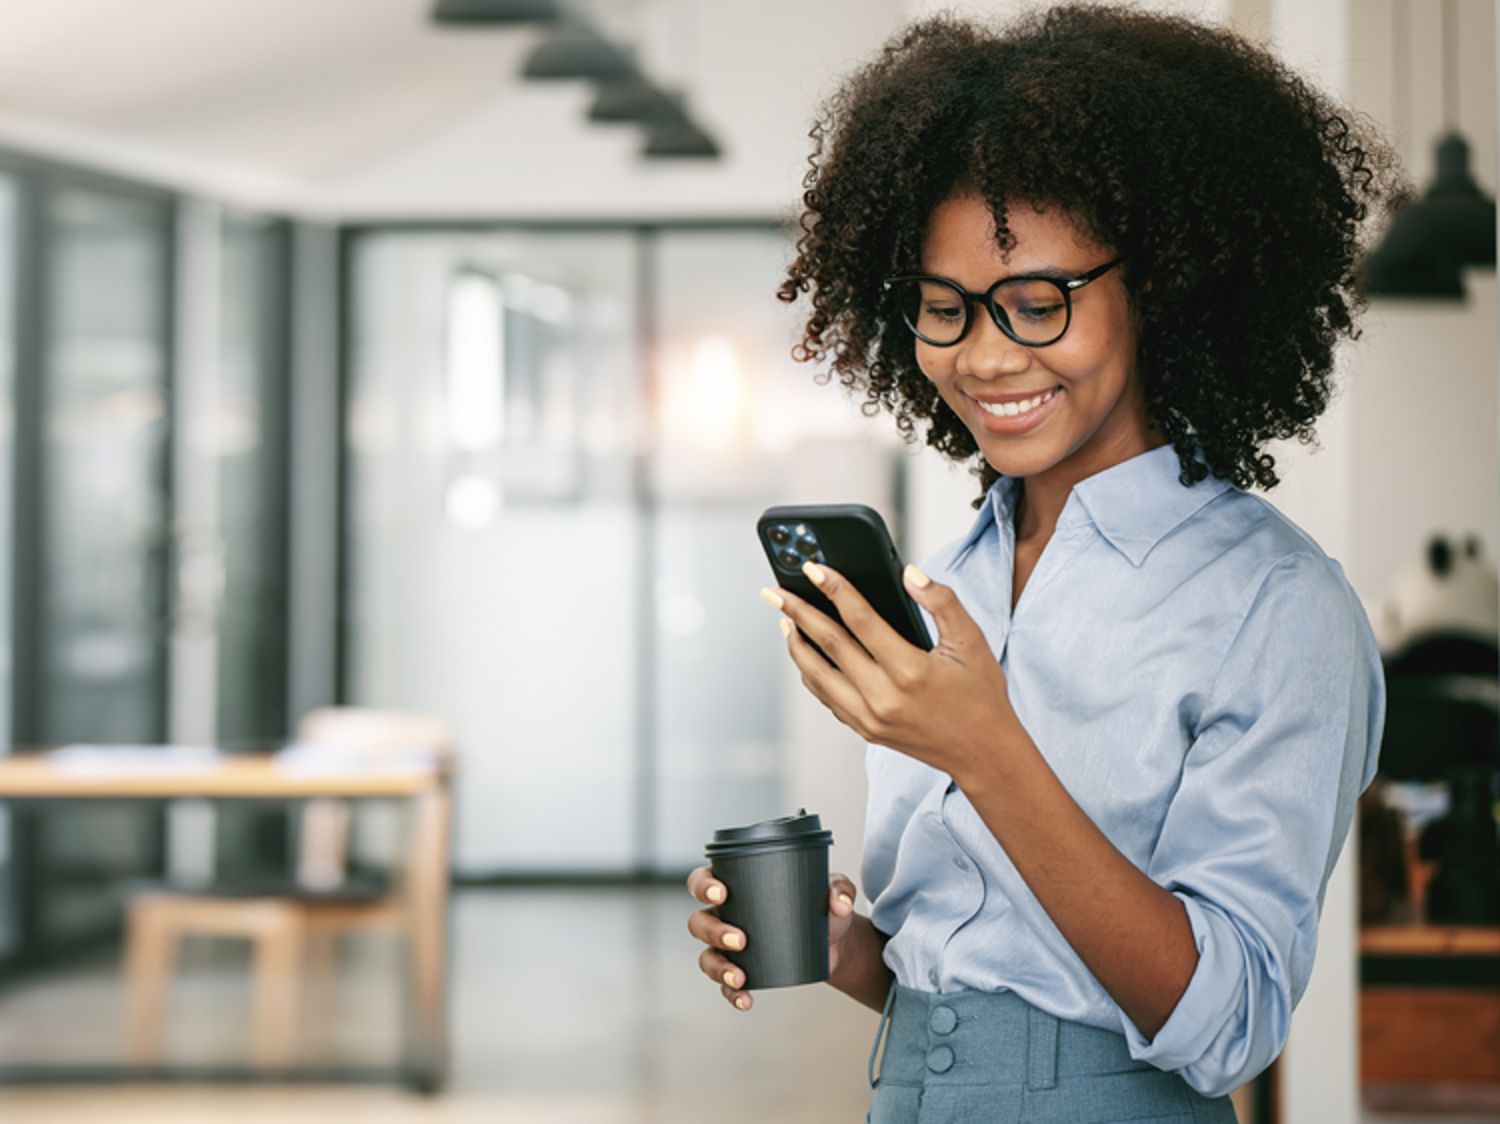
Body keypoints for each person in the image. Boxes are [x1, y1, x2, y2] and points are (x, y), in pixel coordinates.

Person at [687, 5, 1400, 1120]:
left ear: (1156, 282)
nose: (983, 354)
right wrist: (846, 948)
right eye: (943, 307)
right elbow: (994, 980)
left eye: (1036, 302)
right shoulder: (948, 582)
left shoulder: (1273, 604)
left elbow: (1231, 1023)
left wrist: (983, 744)